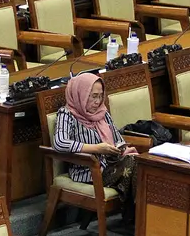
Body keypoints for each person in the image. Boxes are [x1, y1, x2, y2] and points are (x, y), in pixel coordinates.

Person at [52, 73, 139, 204]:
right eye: (93, 96)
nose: (97, 102)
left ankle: (140, 216)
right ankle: (137, 217)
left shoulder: (102, 113)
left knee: (142, 165)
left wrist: (118, 149)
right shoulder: (67, 114)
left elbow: (118, 139)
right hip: (88, 170)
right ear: (80, 94)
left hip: (112, 163)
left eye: (100, 96)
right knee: (134, 166)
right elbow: (60, 143)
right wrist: (97, 149)